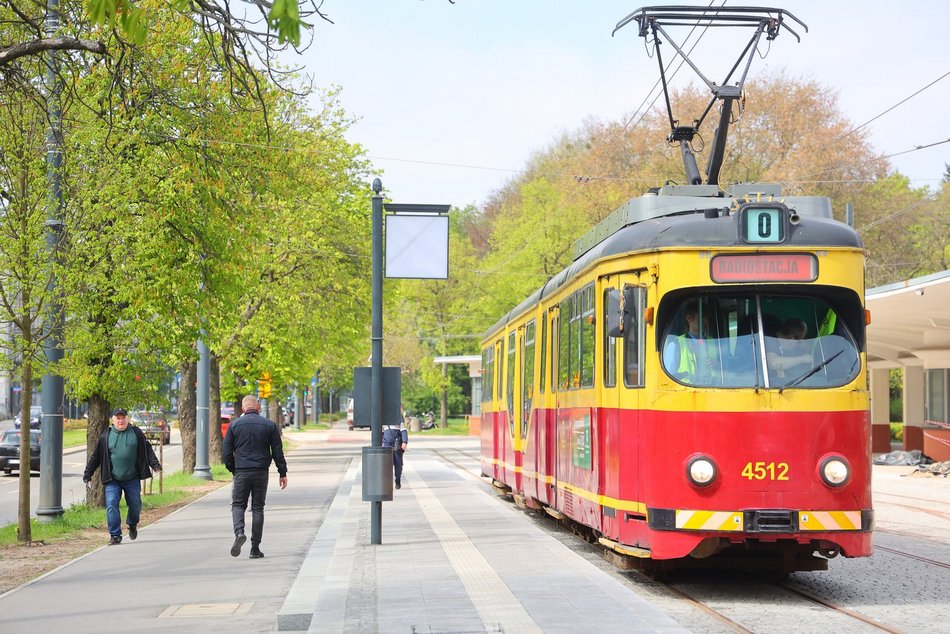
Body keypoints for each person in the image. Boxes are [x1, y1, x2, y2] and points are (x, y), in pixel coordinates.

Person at [82, 408, 162, 545]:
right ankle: (115, 535)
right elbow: (96, 457)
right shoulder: (105, 436)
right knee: (112, 504)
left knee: (135, 505)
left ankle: (132, 524)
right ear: (113, 420)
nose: (121, 420)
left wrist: (155, 465)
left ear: (127, 419)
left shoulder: (136, 433)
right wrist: (87, 474)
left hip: (132, 477)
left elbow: (147, 449)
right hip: (113, 479)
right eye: (118, 418)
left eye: (123, 418)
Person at [222, 394, 288, 559]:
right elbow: (277, 451)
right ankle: (255, 548)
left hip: (241, 471)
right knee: (258, 508)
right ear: (258, 407)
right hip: (261, 471)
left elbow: (226, 452)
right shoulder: (269, 425)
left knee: (238, 505)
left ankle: (239, 533)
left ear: (243, 408)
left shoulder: (234, 425)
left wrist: (233, 469)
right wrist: (282, 472)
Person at [382, 417, 408, 489]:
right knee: (387, 465)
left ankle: (398, 480)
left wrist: (404, 442)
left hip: (397, 444)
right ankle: (387, 483)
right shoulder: (383, 418)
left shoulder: (398, 417)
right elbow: (381, 432)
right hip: (387, 444)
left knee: (398, 464)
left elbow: (403, 430)